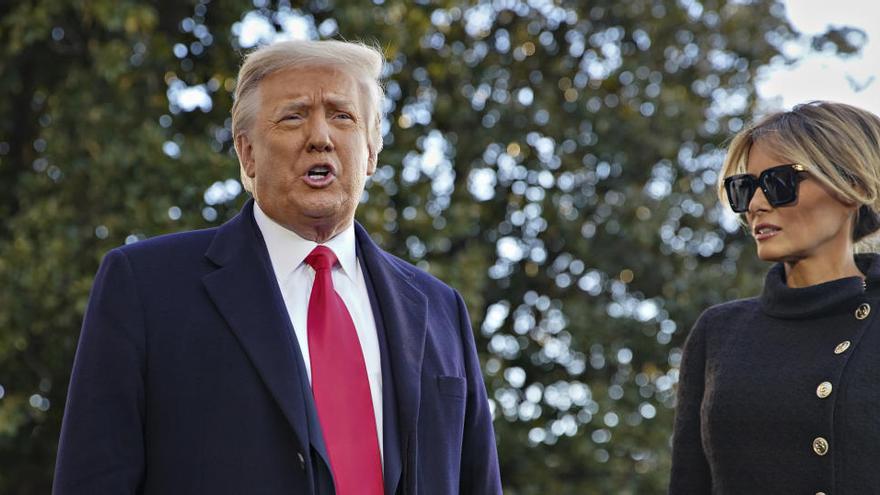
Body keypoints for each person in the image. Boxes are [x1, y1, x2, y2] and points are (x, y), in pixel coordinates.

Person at [53, 40, 502, 495]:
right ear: (247, 153)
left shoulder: (440, 307)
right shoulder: (145, 287)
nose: (321, 137)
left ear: (371, 152)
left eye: (342, 116)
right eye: (294, 116)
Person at [669, 101, 880, 494]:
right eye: (744, 188)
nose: (755, 205)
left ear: (852, 187)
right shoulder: (719, 333)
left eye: (779, 183)